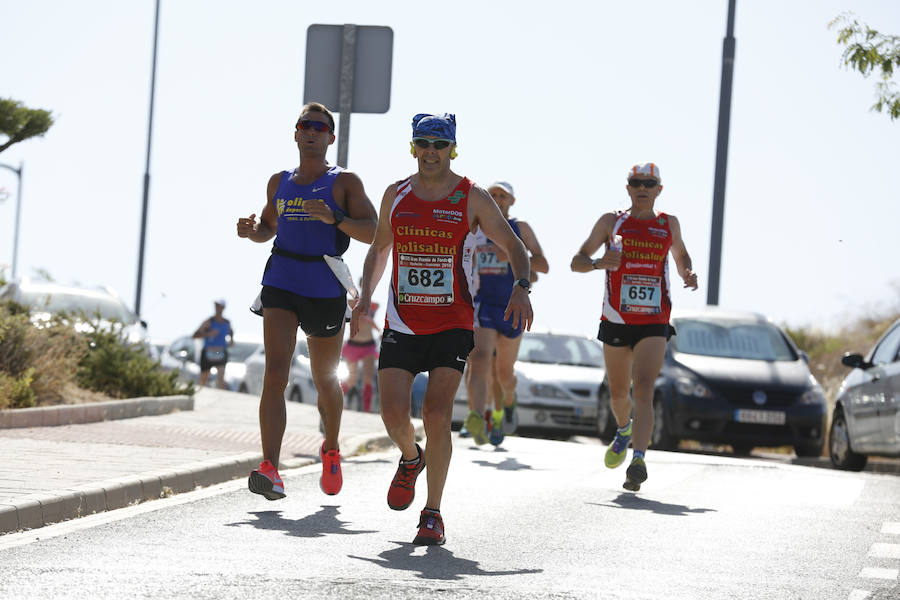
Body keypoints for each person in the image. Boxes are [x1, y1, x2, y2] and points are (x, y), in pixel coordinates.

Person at [351, 113, 533, 545]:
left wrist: (521, 286)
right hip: (402, 321)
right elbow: (379, 249)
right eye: (423, 143)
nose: (430, 151)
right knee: (393, 414)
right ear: (413, 147)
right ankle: (411, 458)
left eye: (439, 143)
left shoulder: (472, 197)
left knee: (435, 413)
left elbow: (515, 247)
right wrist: (364, 296)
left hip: (453, 322)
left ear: (453, 148)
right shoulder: (395, 194)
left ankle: (432, 513)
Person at [236, 102, 377, 500]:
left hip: (324, 285)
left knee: (324, 379)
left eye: (320, 127)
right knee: (275, 374)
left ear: (330, 137)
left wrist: (336, 220)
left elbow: (373, 231)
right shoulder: (279, 181)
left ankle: (330, 447)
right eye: (305, 125)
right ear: (295, 133)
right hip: (281, 279)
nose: (312, 131)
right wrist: (252, 231)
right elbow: (269, 226)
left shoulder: (344, 182)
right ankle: (270, 468)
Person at [570, 162, 698, 492]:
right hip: (616, 319)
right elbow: (577, 261)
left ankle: (638, 459)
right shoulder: (611, 222)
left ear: (659, 189)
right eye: (636, 182)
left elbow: (681, 255)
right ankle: (623, 429)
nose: (642, 187)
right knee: (617, 393)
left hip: (654, 319)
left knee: (643, 386)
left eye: (649, 183)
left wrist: (687, 274)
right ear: (627, 188)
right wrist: (599, 263)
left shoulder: (668, 223)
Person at [464, 181, 548, 446]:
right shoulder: (476, 227)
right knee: (480, 359)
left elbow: (543, 265)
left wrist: (513, 256)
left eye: (503, 196)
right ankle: (477, 416)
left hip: (513, 305)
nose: (498, 199)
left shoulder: (519, 228)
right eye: (494, 195)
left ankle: (505, 409)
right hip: (483, 303)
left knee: (504, 374)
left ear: (512, 201)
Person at [341, 293, 380, 413]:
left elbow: (369, 320)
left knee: (368, 378)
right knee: (351, 378)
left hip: (368, 344)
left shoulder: (375, 305)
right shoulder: (351, 302)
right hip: (353, 345)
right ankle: (339, 401)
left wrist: (378, 329)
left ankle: (367, 409)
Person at [193, 299, 234, 389]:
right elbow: (195, 335)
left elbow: (231, 333)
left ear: (223, 308)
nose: (217, 308)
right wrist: (208, 334)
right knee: (204, 377)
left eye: (219, 306)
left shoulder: (227, 323)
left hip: (221, 352)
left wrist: (231, 341)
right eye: (216, 305)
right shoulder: (209, 322)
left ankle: (220, 398)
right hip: (208, 352)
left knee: (221, 376)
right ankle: (201, 394)